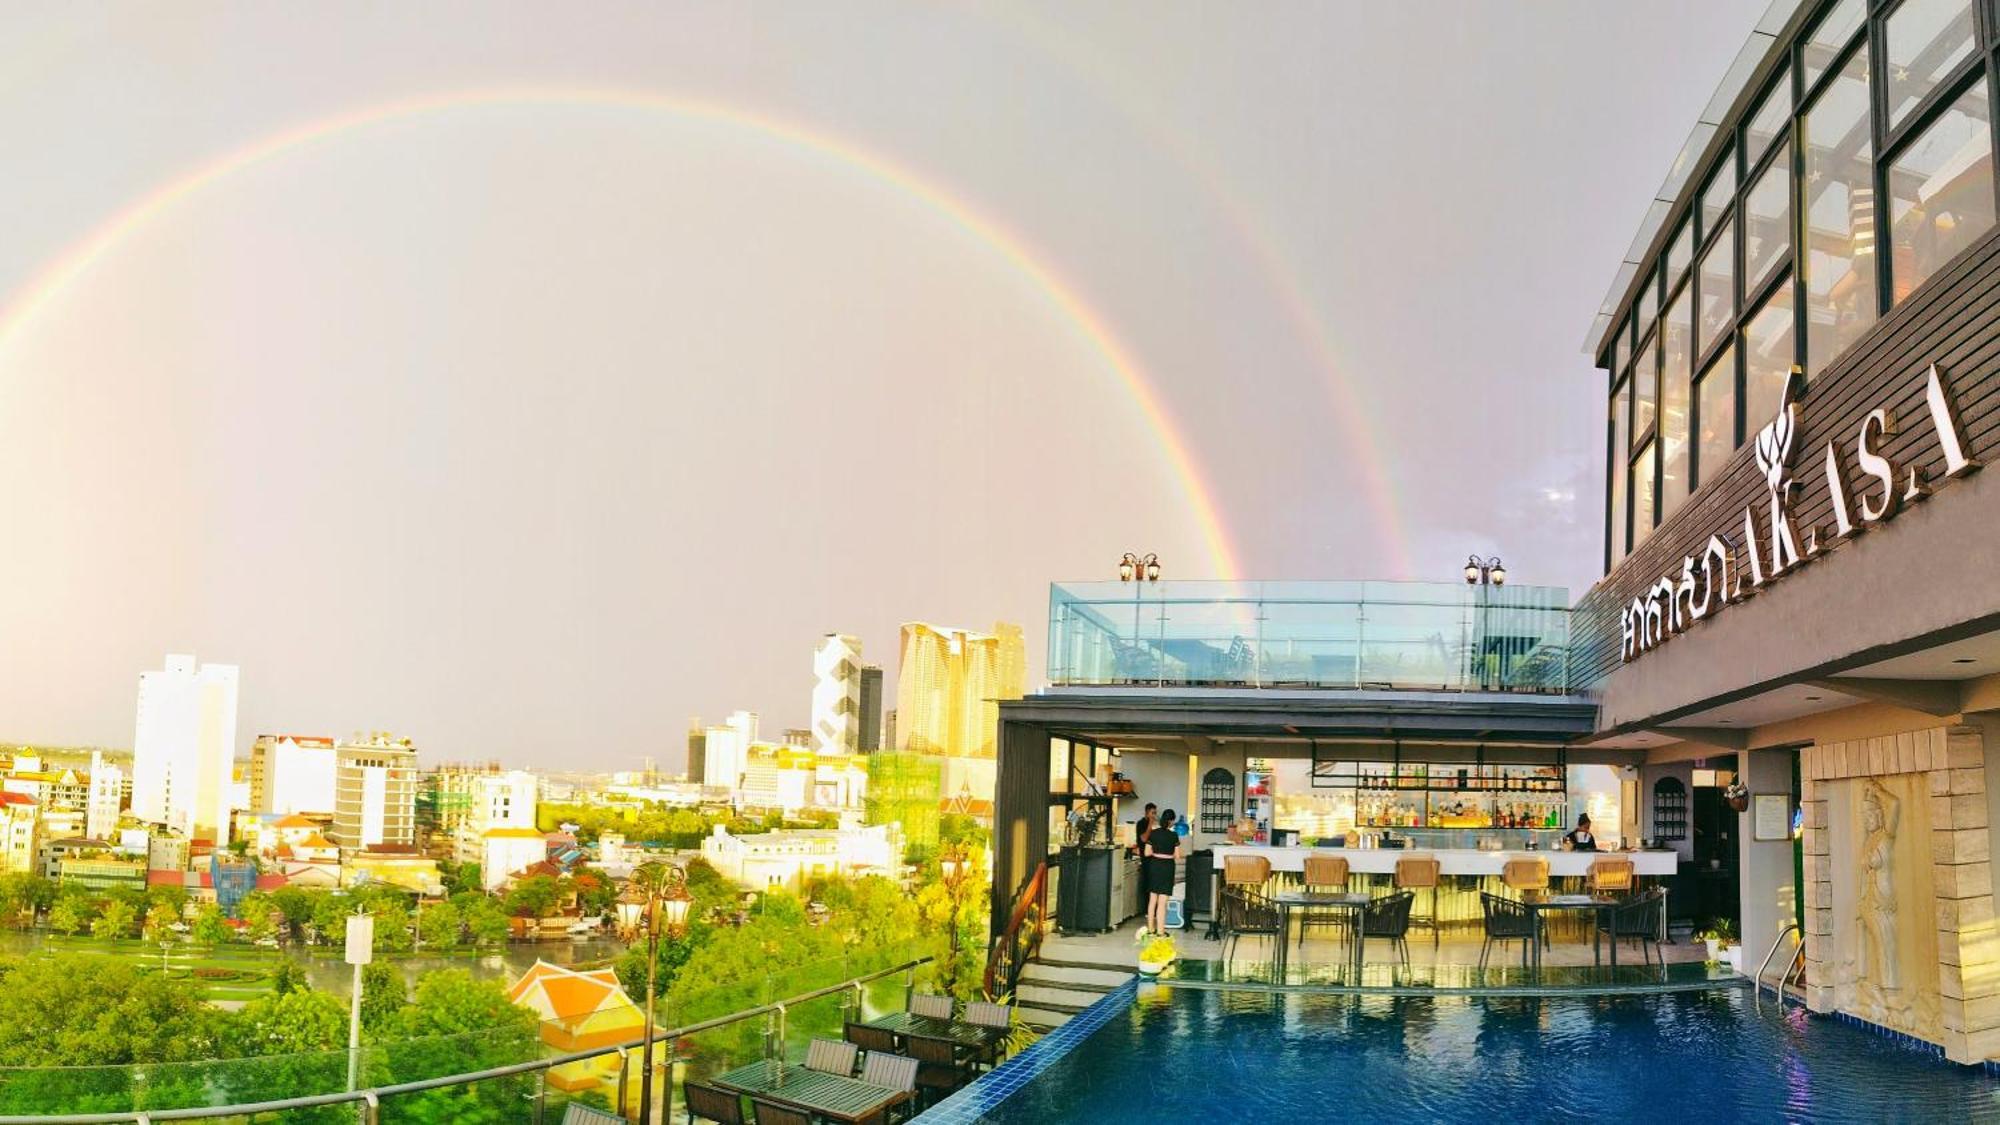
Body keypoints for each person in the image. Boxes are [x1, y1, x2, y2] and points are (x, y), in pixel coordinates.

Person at [1143, 809, 1181, 936]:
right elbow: (1178, 855)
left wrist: (1156, 853)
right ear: (1171, 821)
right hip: (1167, 868)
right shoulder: (1174, 835)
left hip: (1154, 866)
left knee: (1152, 899)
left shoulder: (1153, 834)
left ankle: (1150, 930)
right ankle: (1160, 932)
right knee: (1163, 902)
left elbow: (1147, 853)